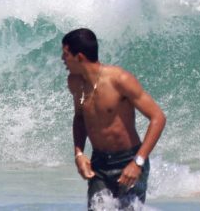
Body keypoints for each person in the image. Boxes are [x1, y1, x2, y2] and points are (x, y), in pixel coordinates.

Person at [62, 28, 166, 210]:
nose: (63, 60)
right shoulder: (75, 83)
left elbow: (158, 118)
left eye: (65, 54)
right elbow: (79, 118)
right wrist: (78, 153)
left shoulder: (120, 80)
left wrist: (138, 163)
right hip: (99, 165)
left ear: (79, 57)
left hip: (129, 160)